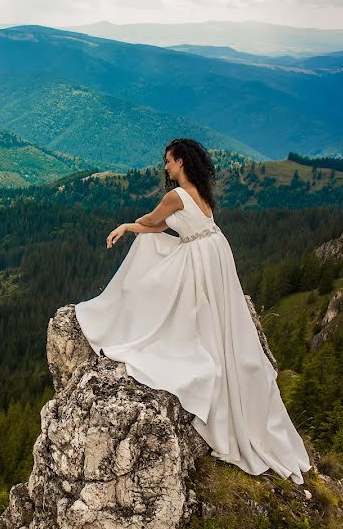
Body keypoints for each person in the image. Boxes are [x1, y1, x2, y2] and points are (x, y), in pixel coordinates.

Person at [74, 138, 311, 484]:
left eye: (169, 161)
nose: (166, 167)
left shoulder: (176, 195)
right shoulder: (199, 192)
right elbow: (162, 226)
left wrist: (128, 225)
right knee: (219, 320)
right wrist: (138, 227)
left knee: (160, 276)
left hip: (200, 257)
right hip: (215, 252)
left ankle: (133, 316)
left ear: (181, 162)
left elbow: (153, 220)